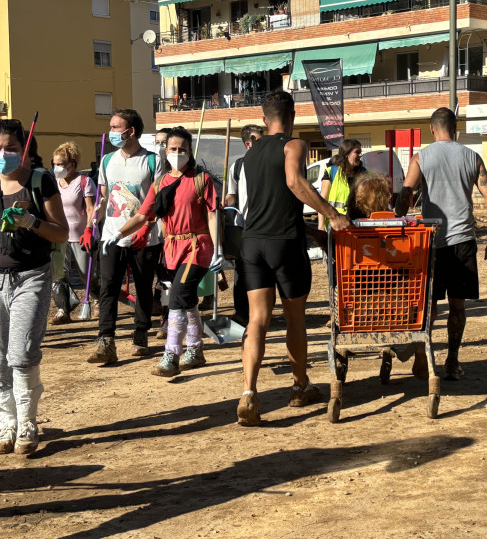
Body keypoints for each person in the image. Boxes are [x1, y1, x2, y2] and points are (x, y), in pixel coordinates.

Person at [237, 90, 349, 426]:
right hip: (283, 244)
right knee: (295, 318)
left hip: (253, 242)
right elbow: (293, 181)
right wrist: (331, 214)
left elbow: (269, 201)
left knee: (257, 320)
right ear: (293, 115)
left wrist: (308, 229)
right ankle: (300, 386)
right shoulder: (294, 145)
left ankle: (248, 393)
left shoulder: (251, 152)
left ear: (263, 116)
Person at [395, 107, 487, 380]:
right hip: (463, 241)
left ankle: (424, 358)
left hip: (431, 243)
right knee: (458, 306)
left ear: (432, 129)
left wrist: (396, 211)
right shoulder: (472, 157)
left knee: (428, 306)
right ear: (455, 128)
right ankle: (452, 362)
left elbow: (405, 197)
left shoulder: (421, 157)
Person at [109, 127, 220, 377]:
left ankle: (171, 354)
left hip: (197, 245)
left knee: (178, 296)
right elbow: (142, 215)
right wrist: (119, 234)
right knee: (186, 298)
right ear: (165, 150)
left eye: (182, 149)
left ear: (190, 152)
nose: (177, 153)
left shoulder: (202, 179)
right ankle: (195, 348)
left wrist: (218, 249)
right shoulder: (160, 183)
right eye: (173, 149)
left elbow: (213, 215)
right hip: (171, 248)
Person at [0, 118, 68, 455]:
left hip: (30, 276)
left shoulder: (41, 182)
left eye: (10, 149)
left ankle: (27, 421)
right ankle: (5, 422)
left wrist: (31, 221)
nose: (3, 155)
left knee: (22, 352)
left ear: (25, 151)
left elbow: (62, 232)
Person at [88, 109, 163, 364]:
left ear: (130, 131)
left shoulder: (153, 161)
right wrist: (91, 226)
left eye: (116, 126)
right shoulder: (107, 160)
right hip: (111, 236)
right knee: (108, 287)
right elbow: (104, 197)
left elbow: (158, 202)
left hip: (144, 238)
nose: (112, 132)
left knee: (143, 288)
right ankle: (105, 340)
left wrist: (147, 228)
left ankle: (141, 333)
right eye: (111, 126)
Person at [50, 141, 97, 325]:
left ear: (72, 164)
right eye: (54, 164)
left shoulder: (84, 181)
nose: (57, 168)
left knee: (87, 274)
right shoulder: (54, 183)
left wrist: (89, 230)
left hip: (81, 236)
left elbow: (91, 208)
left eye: (60, 164)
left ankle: (97, 300)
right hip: (60, 236)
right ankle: (63, 309)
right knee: (60, 274)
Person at [225, 124, 263, 325]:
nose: (261, 142)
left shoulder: (269, 163)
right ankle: (241, 312)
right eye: (257, 139)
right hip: (244, 226)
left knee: (264, 270)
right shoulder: (237, 166)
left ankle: (261, 312)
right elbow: (232, 196)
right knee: (241, 271)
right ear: (248, 143)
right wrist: (223, 203)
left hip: (265, 225)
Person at [317, 139, 365, 231]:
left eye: (360, 152)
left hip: (358, 227)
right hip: (336, 227)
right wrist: (321, 227)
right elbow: (322, 201)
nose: (360, 155)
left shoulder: (365, 173)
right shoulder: (331, 172)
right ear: (346, 154)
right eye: (357, 152)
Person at [151, 128, 172, 342]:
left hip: (174, 235)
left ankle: (167, 321)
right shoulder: (154, 170)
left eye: (164, 142)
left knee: (167, 279)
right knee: (158, 277)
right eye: (158, 143)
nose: (161, 147)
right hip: (152, 232)